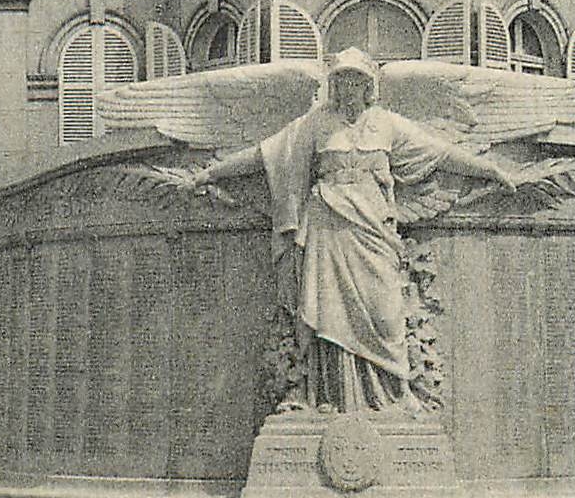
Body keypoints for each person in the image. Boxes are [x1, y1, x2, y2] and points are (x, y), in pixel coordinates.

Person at [190, 48, 515, 414]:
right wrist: (213, 173)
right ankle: (322, 395)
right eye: (341, 79)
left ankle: (397, 390)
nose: (347, 87)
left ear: (368, 86)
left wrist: (490, 170)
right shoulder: (315, 124)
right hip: (326, 226)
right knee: (323, 310)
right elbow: (265, 155)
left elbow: (440, 153)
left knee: (386, 310)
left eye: (355, 80)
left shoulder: (387, 124)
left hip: (373, 228)